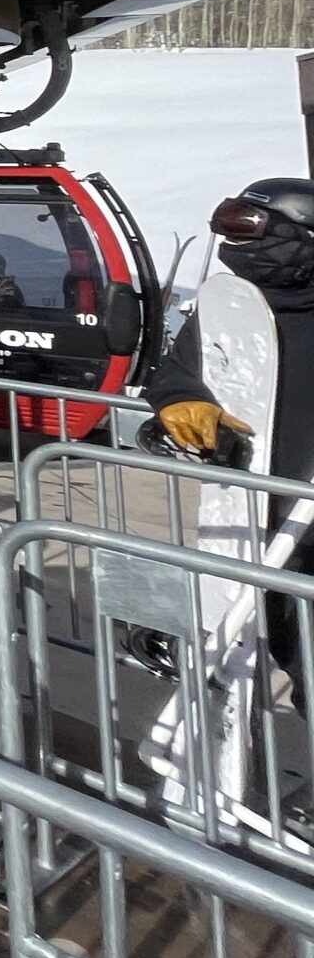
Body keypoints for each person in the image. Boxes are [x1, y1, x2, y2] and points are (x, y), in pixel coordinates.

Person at [147, 177, 314, 673]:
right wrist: (182, 403)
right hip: (258, 521)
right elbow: (178, 374)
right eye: (228, 225)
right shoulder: (231, 310)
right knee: (286, 651)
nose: (235, 242)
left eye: (250, 226)